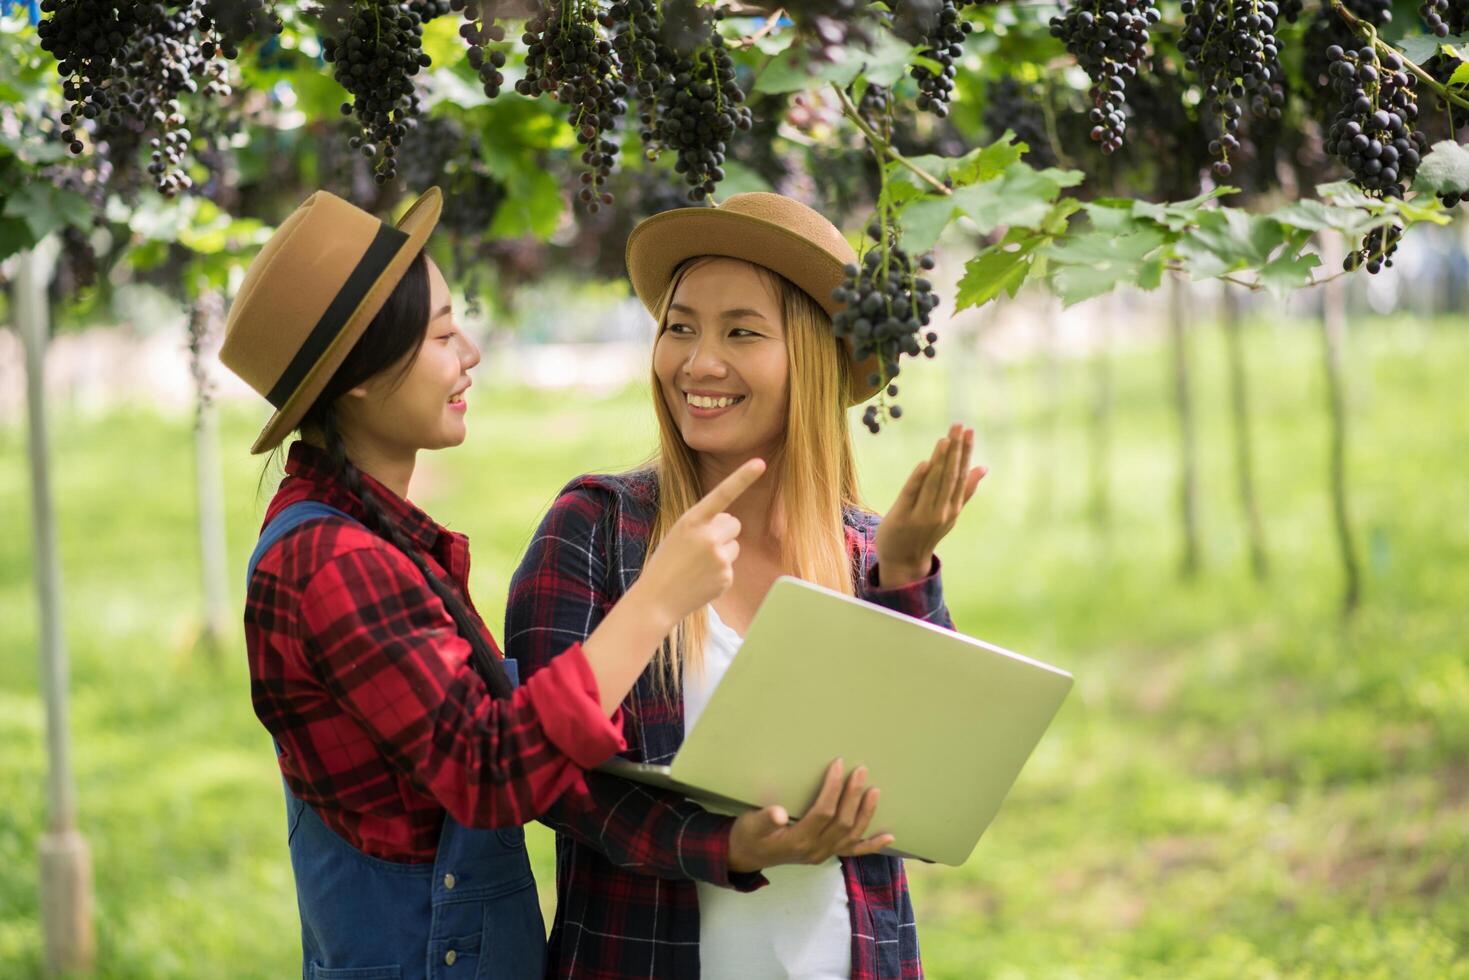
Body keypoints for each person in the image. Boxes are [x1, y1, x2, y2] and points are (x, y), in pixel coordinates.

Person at [221, 187, 765, 980]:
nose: (469, 353)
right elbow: (488, 769)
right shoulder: (332, 565)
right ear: (361, 376)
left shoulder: (364, 535)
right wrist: (655, 600)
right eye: (443, 335)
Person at [506, 192, 986, 979]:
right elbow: (545, 778)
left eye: (741, 332)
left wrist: (903, 574)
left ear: (814, 355)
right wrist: (721, 846)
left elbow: (923, 784)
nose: (698, 362)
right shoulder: (594, 528)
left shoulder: (866, 548)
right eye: (681, 326)